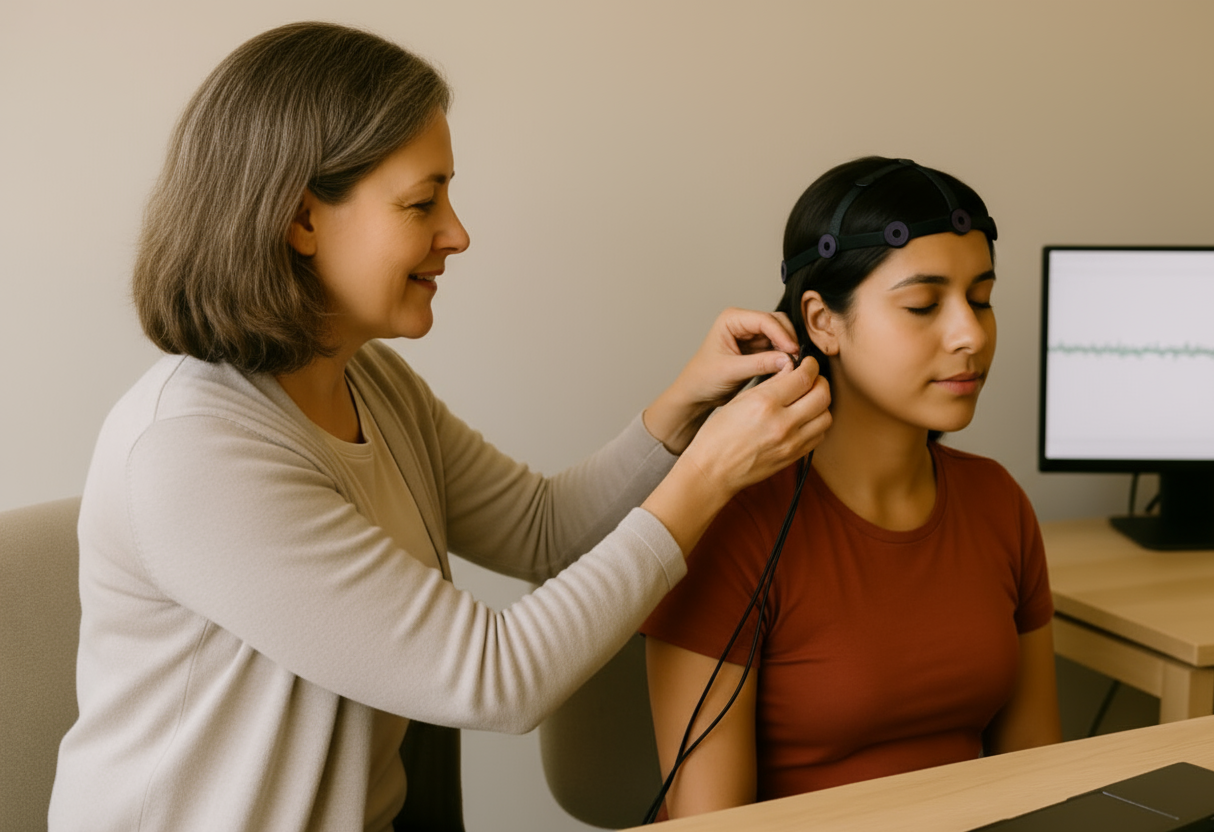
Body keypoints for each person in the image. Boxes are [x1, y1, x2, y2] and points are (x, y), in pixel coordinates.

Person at [47, 21, 832, 832]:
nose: (457, 233)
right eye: (423, 202)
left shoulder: (368, 380)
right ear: (300, 219)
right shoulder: (190, 452)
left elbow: (544, 531)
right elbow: (496, 680)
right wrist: (708, 476)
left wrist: (684, 408)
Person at [641, 157, 1063, 819]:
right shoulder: (730, 523)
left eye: (981, 298)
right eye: (924, 304)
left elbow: (1039, 773)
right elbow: (709, 821)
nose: (971, 334)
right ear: (823, 321)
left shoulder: (998, 503)